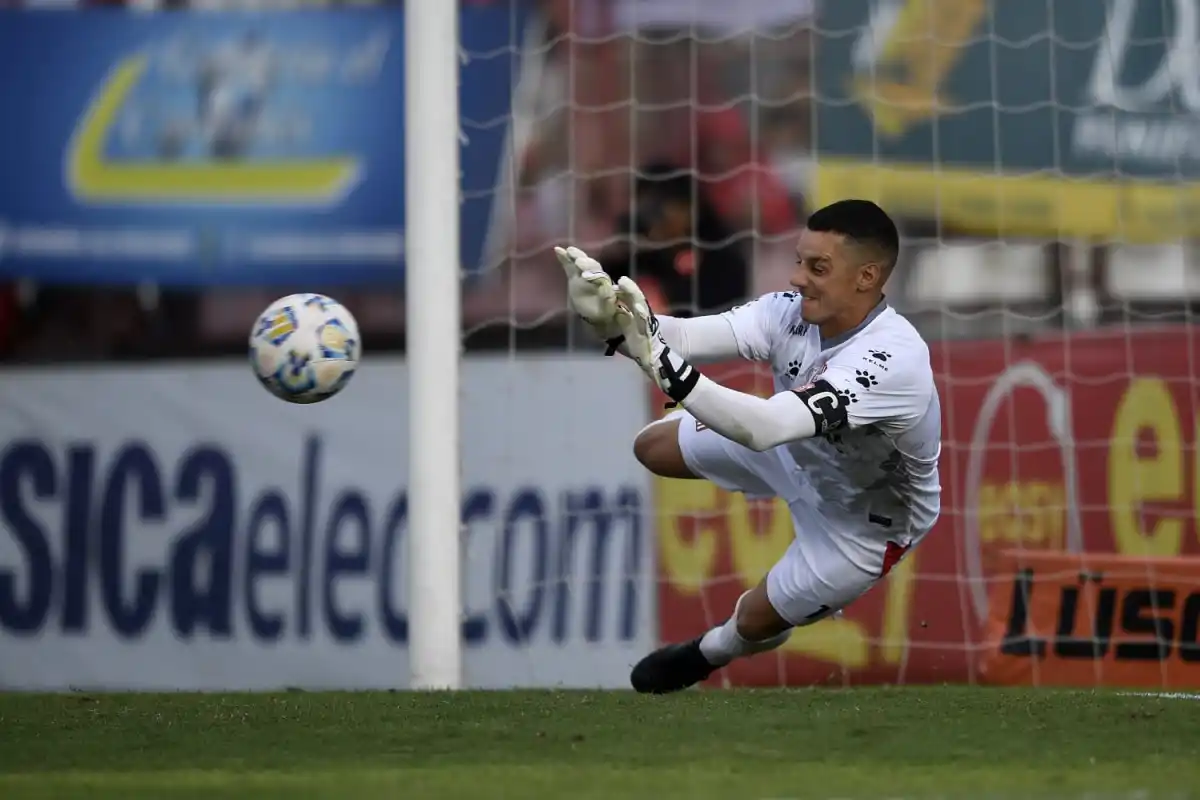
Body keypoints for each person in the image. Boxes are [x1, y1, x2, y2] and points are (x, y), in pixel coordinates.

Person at [556, 198, 941, 694]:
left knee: (753, 622)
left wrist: (661, 363)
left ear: (866, 277)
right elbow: (680, 336)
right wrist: (613, 319)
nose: (798, 278)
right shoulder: (787, 312)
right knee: (652, 446)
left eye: (818, 267)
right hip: (795, 450)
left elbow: (763, 427)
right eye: (799, 261)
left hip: (862, 523)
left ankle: (709, 651)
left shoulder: (892, 361)